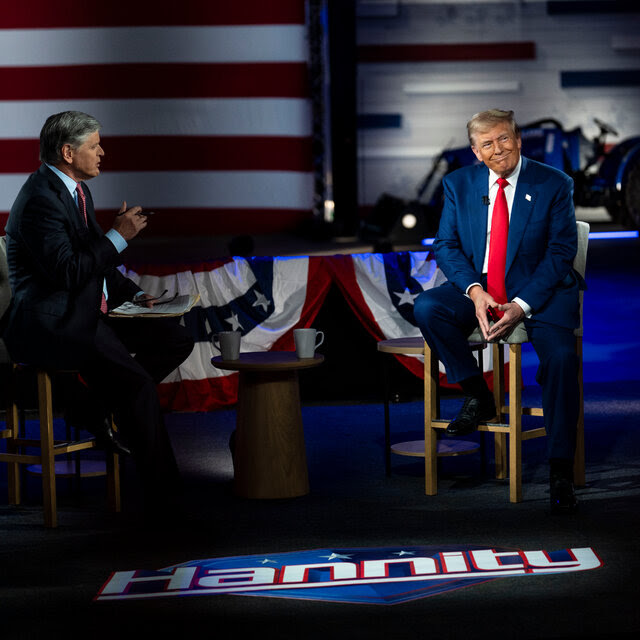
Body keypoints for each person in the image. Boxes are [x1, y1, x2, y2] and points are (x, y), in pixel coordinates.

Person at [1, 111, 194, 518]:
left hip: (85, 314)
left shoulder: (76, 191)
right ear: (68, 152)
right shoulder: (40, 200)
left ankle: (96, 406)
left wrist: (137, 294)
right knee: (139, 386)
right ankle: (167, 502)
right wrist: (117, 236)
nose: (102, 152)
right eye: (94, 146)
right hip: (52, 325)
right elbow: (70, 271)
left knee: (177, 338)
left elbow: (97, 264)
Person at [413, 109, 582, 513]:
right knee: (428, 306)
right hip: (484, 288)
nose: (498, 149)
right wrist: (474, 291)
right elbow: (446, 246)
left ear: (518, 140)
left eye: (504, 139)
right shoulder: (459, 184)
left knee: (560, 359)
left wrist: (522, 306)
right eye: (487, 144)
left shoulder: (553, 183)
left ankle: (560, 468)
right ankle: (476, 394)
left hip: (539, 292)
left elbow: (561, 252)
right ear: (475, 151)